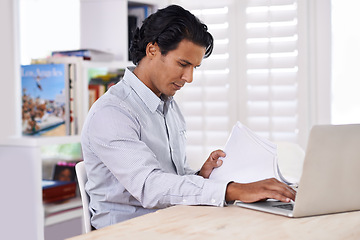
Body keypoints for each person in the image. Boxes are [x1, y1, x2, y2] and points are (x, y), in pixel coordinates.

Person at [81, 4, 296, 230]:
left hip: (171, 223)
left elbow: (170, 178)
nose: (189, 77)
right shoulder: (112, 113)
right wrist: (233, 189)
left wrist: (201, 175)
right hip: (127, 232)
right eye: (183, 64)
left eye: (194, 67)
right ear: (152, 50)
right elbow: (149, 186)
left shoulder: (168, 106)